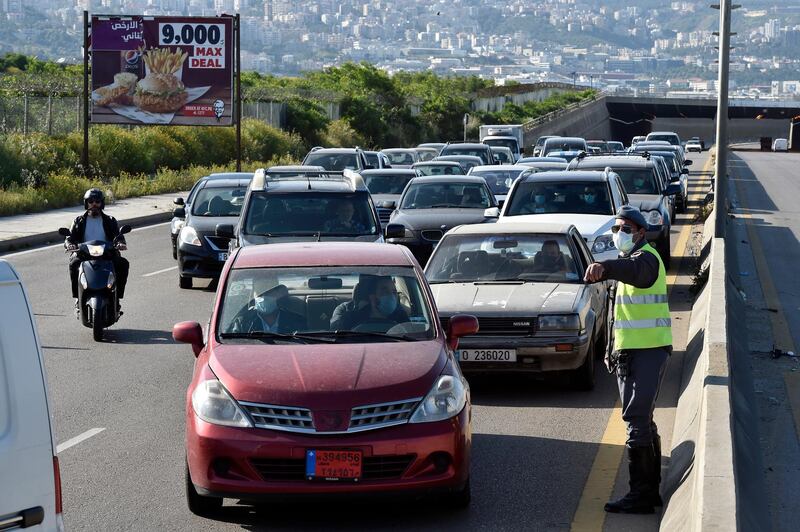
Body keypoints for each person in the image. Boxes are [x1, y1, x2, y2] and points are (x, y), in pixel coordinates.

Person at [584, 205, 673, 515]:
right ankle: (650, 491)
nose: (618, 234)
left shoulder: (647, 259)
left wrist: (605, 267)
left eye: (624, 229)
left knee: (635, 420)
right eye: (615, 229)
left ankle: (641, 494)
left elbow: (639, 274)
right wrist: (611, 352)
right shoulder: (628, 262)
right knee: (643, 419)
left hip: (648, 351)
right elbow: (616, 317)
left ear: (640, 233)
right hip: (630, 352)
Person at [66, 189, 129, 312]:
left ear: (102, 203)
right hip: (84, 254)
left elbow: (118, 236)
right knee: (73, 264)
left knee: (123, 264)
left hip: (107, 253)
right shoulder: (78, 221)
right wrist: (70, 244)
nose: (94, 204)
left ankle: (117, 297)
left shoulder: (110, 220)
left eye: (97, 201)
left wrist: (120, 243)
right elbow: (69, 238)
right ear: (86, 203)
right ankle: (78, 297)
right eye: (91, 201)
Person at [330, 276, 408, 331]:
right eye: (385, 291)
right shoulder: (349, 318)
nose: (391, 296)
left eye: (394, 292)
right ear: (372, 298)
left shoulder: (401, 317)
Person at [228, 284, 306, 334]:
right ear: (253, 295)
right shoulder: (242, 323)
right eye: (260, 293)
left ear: (278, 295)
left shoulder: (297, 321)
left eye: (269, 292)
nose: (264, 296)